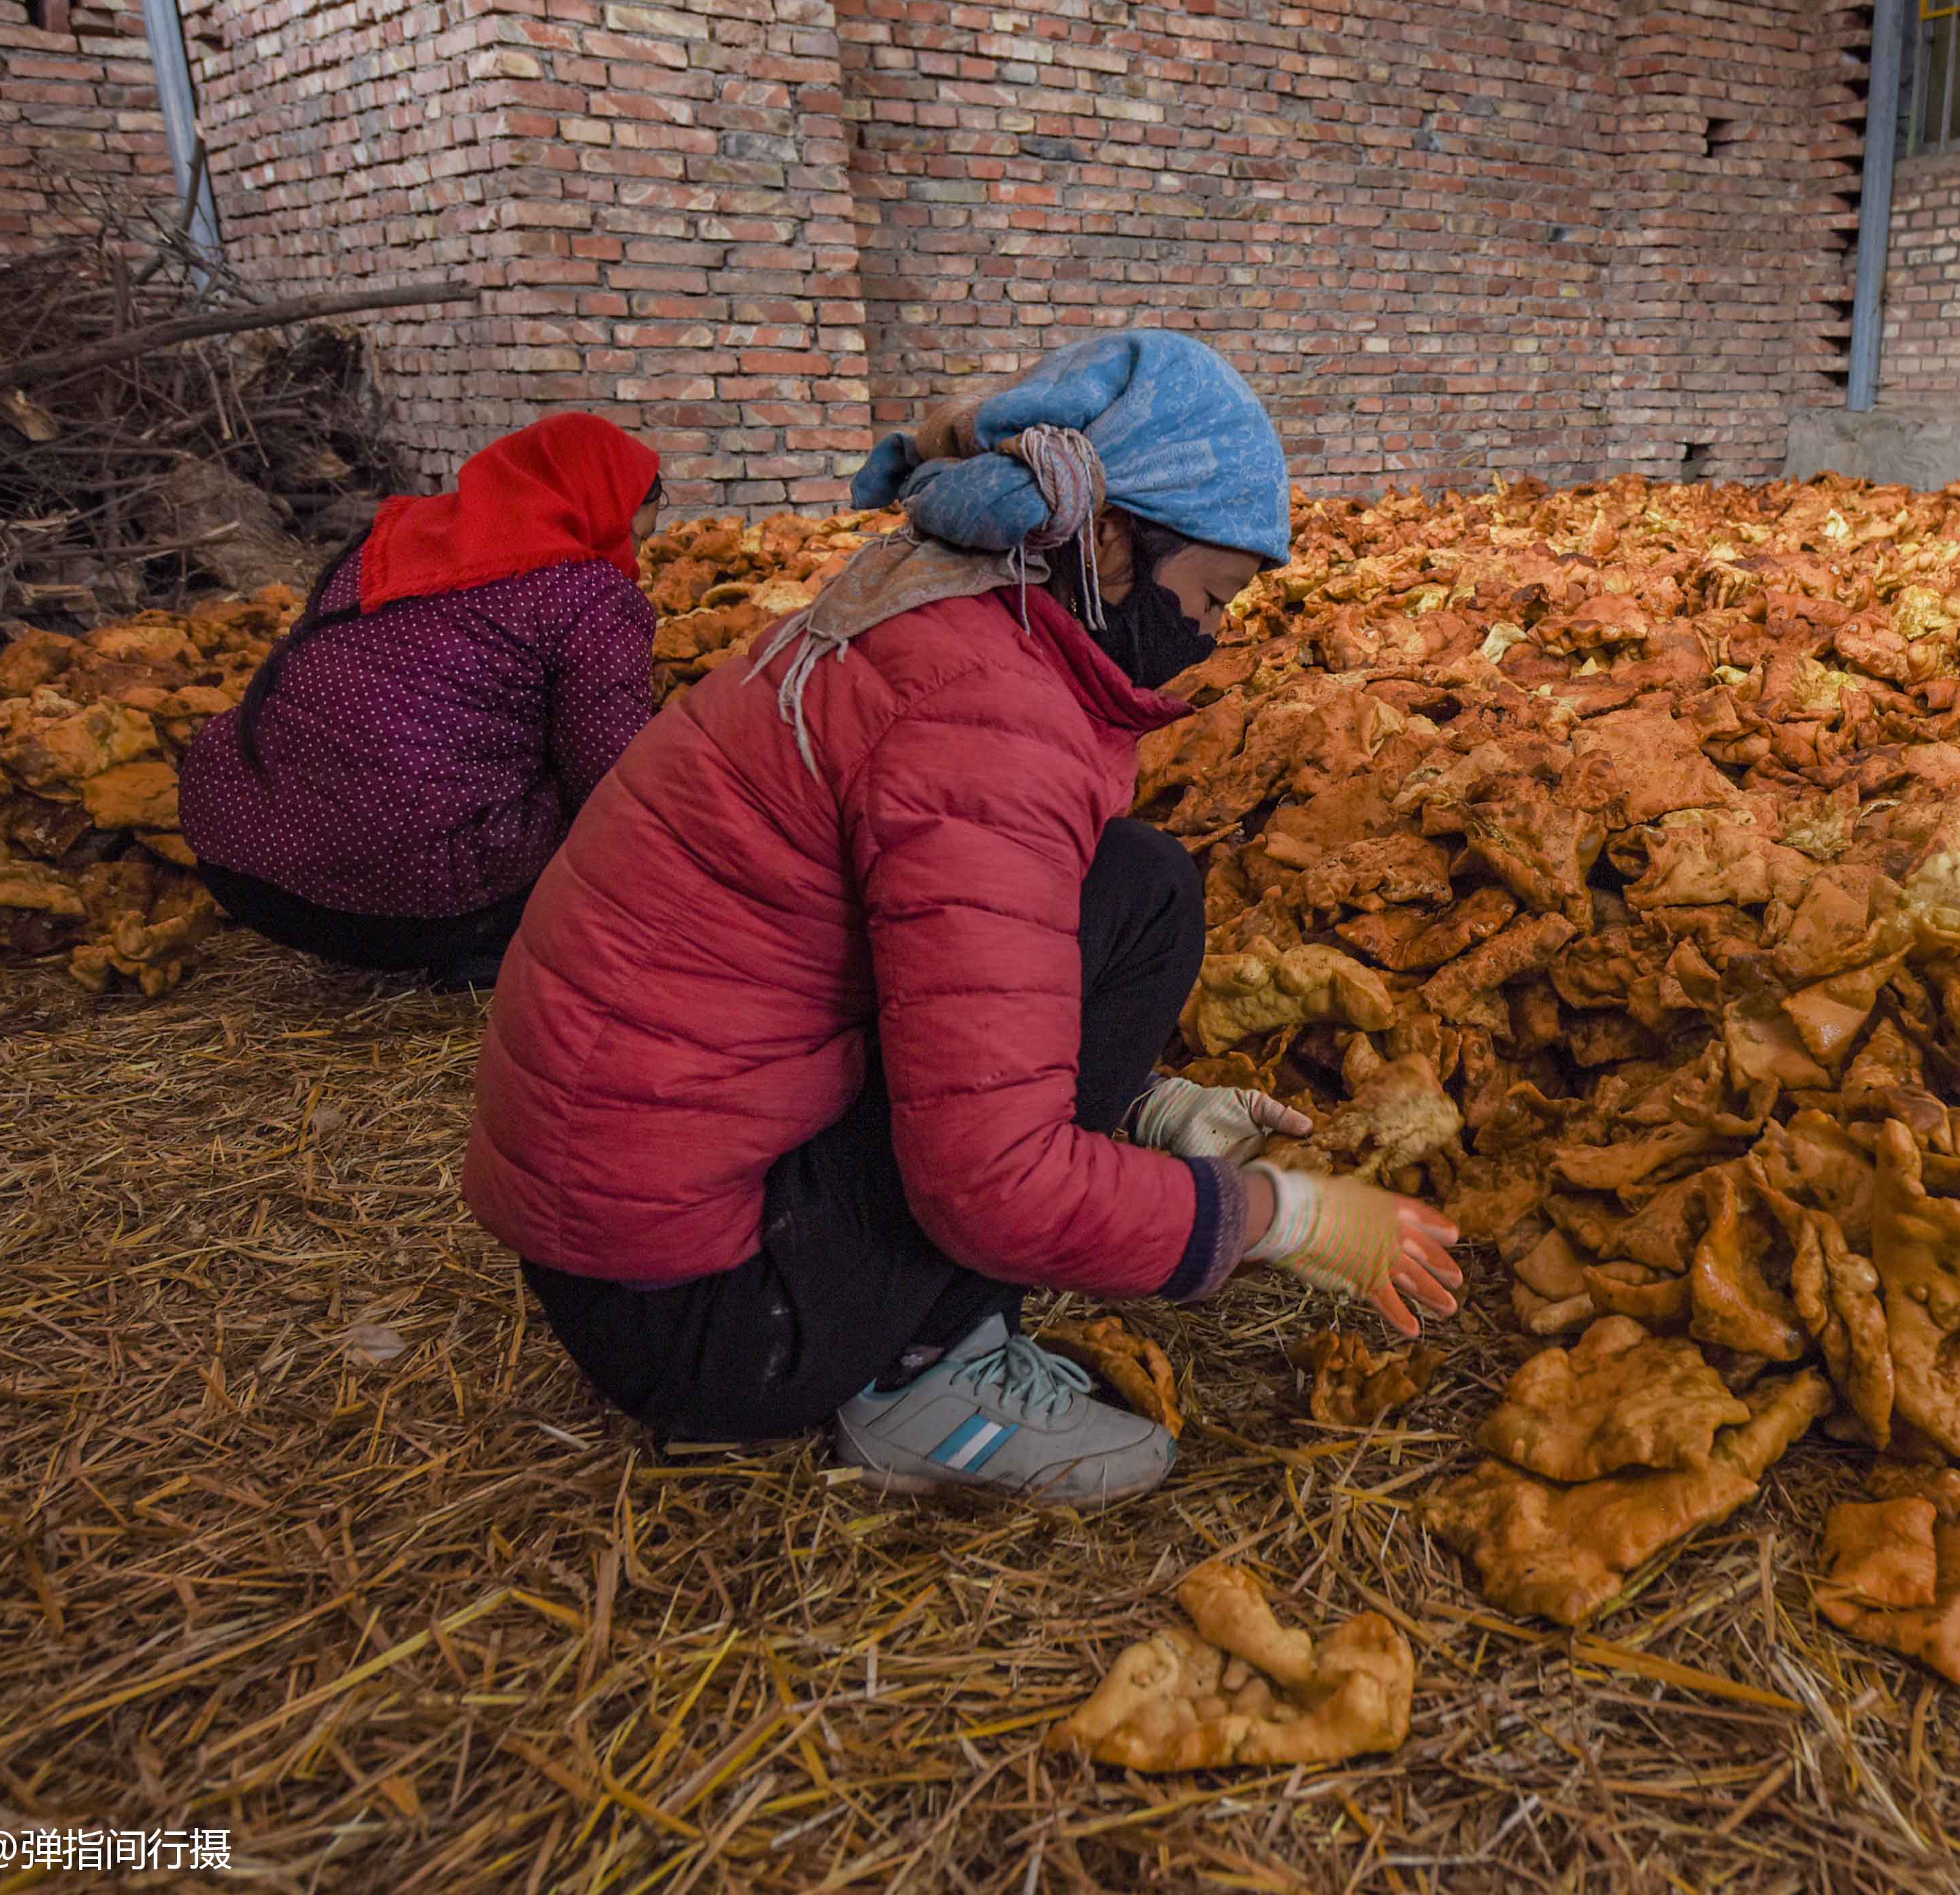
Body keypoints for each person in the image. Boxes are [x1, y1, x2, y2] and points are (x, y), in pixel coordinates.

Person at [463, 332, 1463, 1505]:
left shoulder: (933, 621)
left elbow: (928, 972)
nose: (1207, 636)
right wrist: (1288, 1217)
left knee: (1130, 884)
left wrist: (1140, 1107)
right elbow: (991, 1184)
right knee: (1140, 901)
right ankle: (920, 1383)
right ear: (1107, 538)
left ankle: (905, 1327)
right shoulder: (983, 718)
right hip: (716, 1316)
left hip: (634, 1227)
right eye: (1205, 598)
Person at [179, 413, 666, 991]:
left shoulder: (393, 538)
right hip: (409, 908)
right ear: (602, 510)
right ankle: (485, 954)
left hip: (241, 868)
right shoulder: (589, 594)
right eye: (634, 538)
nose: (633, 560)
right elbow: (615, 779)